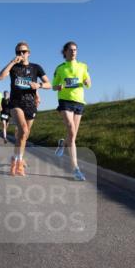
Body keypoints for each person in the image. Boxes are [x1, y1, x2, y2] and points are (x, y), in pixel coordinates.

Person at [0, 41, 50, 177]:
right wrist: (11, 62)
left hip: (31, 104)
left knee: (23, 136)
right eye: (18, 52)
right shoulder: (14, 67)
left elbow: (48, 84)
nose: (21, 54)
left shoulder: (36, 67)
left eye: (24, 51)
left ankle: (15, 160)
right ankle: (19, 164)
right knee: (24, 130)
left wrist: (38, 86)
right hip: (16, 103)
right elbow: (0, 77)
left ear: (29, 53)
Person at [52, 41, 91, 181]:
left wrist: (87, 82)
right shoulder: (60, 68)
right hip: (65, 101)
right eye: (70, 50)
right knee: (71, 129)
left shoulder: (83, 66)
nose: (73, 52)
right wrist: (59, 87)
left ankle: (63, 143)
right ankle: (76, 169)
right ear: (65, 52)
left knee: (72, 136)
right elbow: (53, 86)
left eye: (75, 50)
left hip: (79, 102)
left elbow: (89, 82)